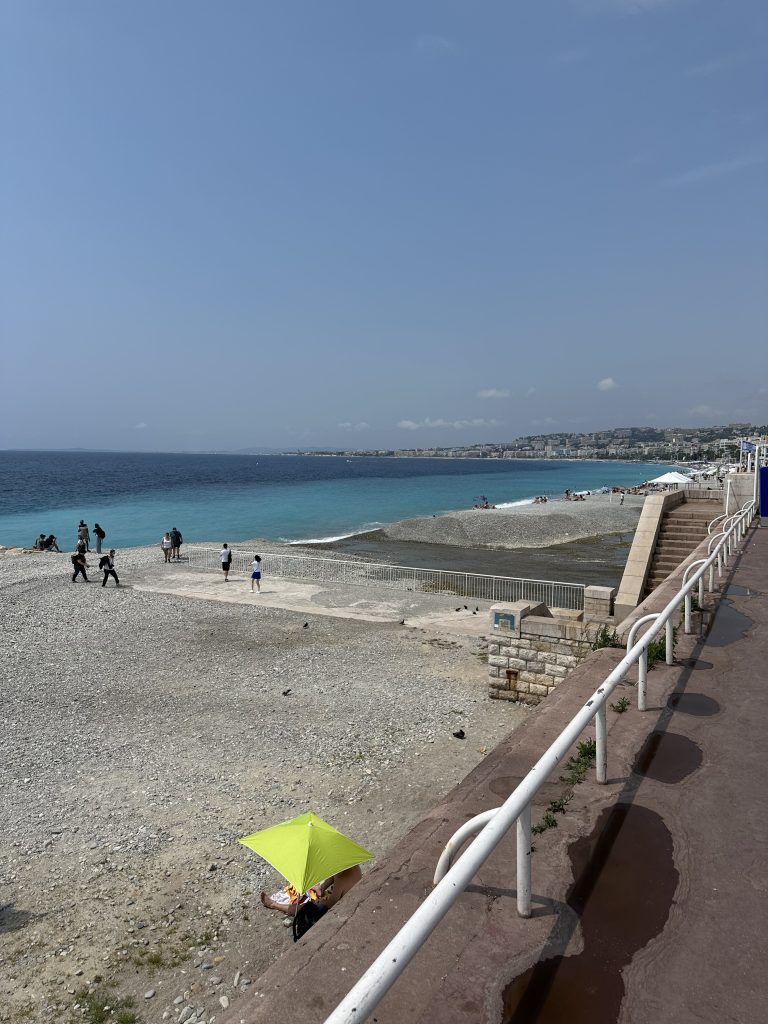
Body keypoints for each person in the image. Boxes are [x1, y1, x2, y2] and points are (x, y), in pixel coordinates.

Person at [260, 865, 363, 924]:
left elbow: (331, 903)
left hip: (341, 906)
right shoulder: (348, 865)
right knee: (313, 889)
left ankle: (274, 904)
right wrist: (321, 888)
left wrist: (318, 901)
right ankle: (319, 889)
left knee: (305, 907)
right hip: (340, 893)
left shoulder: (343, 878)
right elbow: (333, 877)